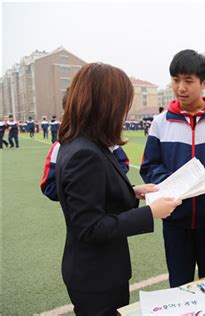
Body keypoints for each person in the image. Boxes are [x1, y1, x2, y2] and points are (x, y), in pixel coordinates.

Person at [55, 62, 182, 315]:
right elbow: (90, 227)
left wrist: (131, 191)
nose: (125, 112)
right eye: (123, 103)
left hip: (96, 272)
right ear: (106, 105)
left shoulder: (86, 144)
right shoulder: (85, 153)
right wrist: (151, 213)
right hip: (96, 277)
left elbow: (94, 195)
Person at [140, 49, 205, 287]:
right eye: (176, 80)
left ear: (204, 82)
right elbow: (150, 166)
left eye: (188, 81)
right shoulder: (161, 122)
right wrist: (173, 183)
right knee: (179, 284)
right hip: (175, 219)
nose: (181, 88)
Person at [40, 89, 130, 201]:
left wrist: (107, 183)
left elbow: (123, 164)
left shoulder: (108, 141)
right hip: (83, 209)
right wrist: (81, 189)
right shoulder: (59, 146)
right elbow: (49, 187)